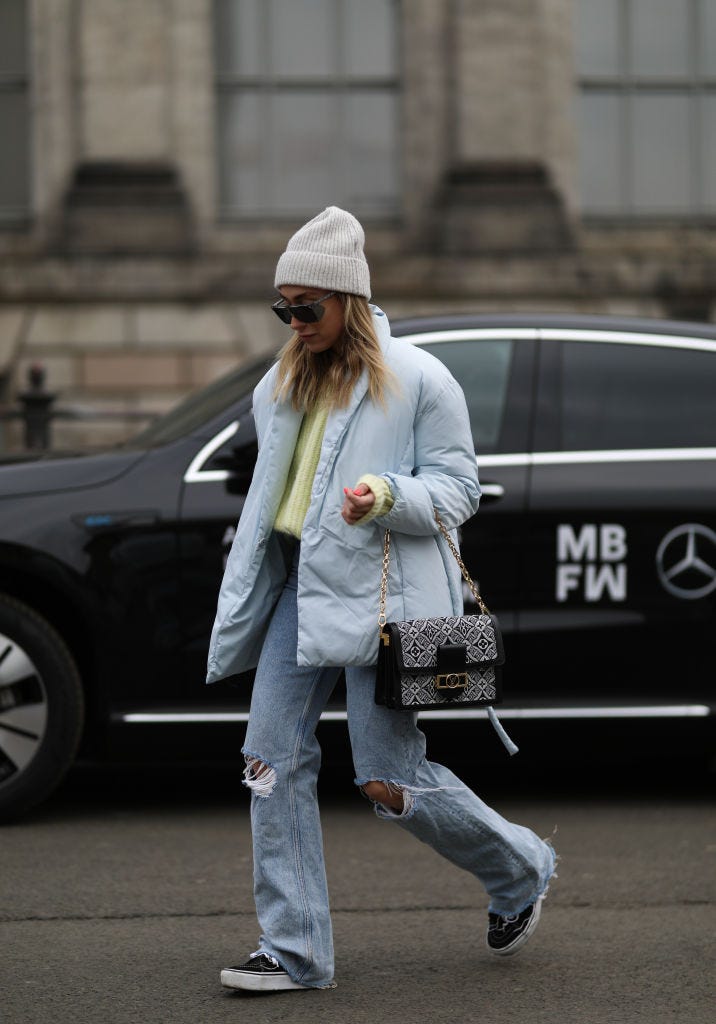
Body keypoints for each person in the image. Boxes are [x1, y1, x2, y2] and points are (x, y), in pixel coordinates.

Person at [206, 206, 556, 993]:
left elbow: (460, 489)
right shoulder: (282, 383)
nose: (295, 323)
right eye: (283, 308)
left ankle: (520, 868)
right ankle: (294, 952)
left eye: (309, 307)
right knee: (267, 761)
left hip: (386, 600)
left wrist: (386, 495)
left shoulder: (421, 379)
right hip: (302, 588)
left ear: (349, 301)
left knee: (387, 780)